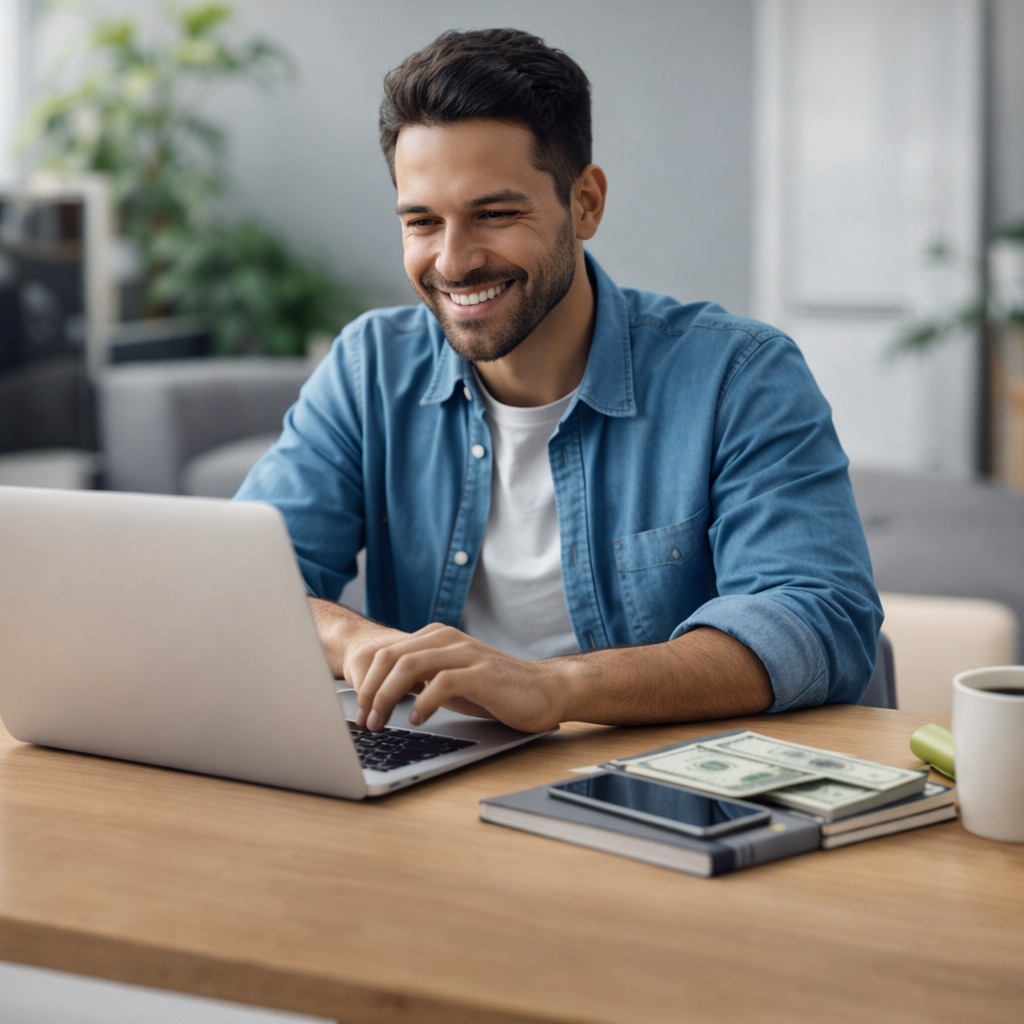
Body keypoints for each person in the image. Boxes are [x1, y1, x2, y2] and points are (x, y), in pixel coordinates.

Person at [235, 28, 882, 735]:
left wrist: (556, 688)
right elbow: (248, 580)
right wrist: (359, 642)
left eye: (495, 214)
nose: (452, 262)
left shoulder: (739, 375)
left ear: (586, 204)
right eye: (423, 222)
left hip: (660, 794)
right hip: (435, 788)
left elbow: (818, 621)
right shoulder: (369, 367)